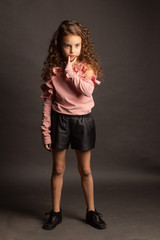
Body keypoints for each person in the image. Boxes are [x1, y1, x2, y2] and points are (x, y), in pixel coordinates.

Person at [40, 20, 106, 230]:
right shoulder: (55, 71)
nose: (72, 50)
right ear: (60, 45)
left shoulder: (87, 69)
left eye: (77, 45)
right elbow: (48, 103)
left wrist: (70, 72)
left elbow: (86, 91)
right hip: (60, 122)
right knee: (58, 169)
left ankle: (91, 211)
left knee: (85, 170)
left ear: (82, 46)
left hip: (82, 122)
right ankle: (56, 212)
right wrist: (46, 132)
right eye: (68, 45)